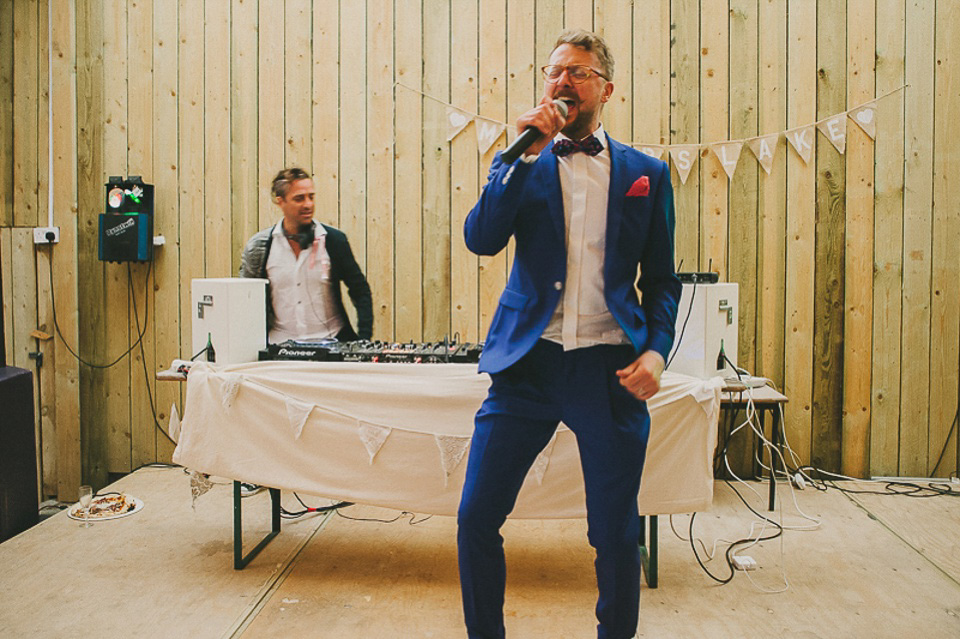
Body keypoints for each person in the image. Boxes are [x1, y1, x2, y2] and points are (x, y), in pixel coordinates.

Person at [457, 30, 681, 639]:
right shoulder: (521, 159)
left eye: (578, 73)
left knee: (614, 530)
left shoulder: (646, 174)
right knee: (476, 516)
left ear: (606, 89)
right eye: (554, 71)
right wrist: (522, 153)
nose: (562, 82)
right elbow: (481, 238)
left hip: (608, 369)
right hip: (527, 366)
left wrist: (658, 351)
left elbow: (662, 279)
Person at [240, 167, 373, 345]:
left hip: (332, 341)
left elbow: (360, 291)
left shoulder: (334, 241)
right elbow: (246, 300)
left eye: (311, 196)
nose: (308, 204)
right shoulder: (260, 247)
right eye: (299, 198)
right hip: (279, 345)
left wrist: (363, 340)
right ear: (281, 201)